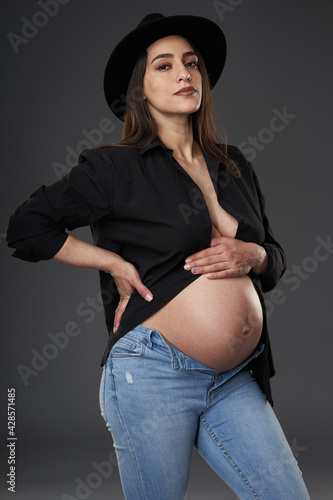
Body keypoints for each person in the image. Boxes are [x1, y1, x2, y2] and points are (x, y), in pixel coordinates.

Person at [6, 12, 311, 500]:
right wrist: (112, 263)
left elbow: (274, 260)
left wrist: (255, 254)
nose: (184, 74)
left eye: (191, 64)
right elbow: (25, 229)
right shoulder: (114, 168)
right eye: (164, 66)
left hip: (233, 377)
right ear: (140, 89)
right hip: (153, 373)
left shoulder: (234, 165)